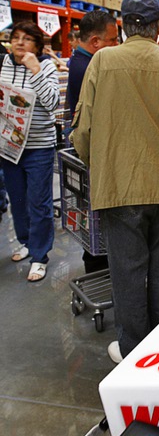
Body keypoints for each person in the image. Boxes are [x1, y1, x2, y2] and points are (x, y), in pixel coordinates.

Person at [73, 0, 159, 363]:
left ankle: (134, 355)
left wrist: (102, 163)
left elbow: (83, 131)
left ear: (122, 25)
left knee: (128, 273)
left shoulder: (102, 62)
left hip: (119, 188)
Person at [0, 22, 60, 281]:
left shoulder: (46, 66)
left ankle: (40, 255)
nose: (20, 43)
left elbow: (52, 104)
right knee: (18, 201)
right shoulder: (4, 64)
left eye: (26, 39)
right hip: (9, 145)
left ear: (37, 45)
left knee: (39, 202)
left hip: (38, 146)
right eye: (15, 38)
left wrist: (34, 70)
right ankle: (26, 242)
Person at [66, 10, 119, 274]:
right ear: (96, 42)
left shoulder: (80, 61)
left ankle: (97, 260)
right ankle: (97, 265)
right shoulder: (87, 68)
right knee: (94, 214)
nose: (116, 46)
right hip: (91, 155)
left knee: (91, 213)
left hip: (88, 151)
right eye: (113, 41)